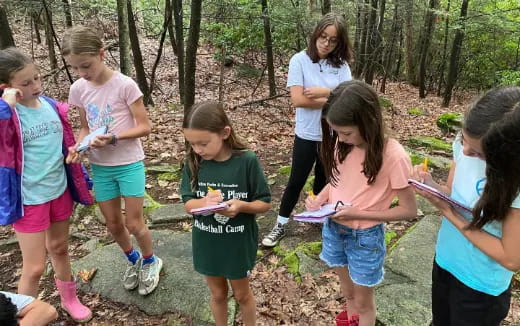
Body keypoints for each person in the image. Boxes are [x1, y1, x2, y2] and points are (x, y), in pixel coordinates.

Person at [305, 80, 418, 325]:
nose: (341, 138)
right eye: (336, 132)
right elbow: (337, 182)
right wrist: (320, 199)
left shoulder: (394, 155)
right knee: (348, 294)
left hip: (365, 239)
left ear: (368, 122)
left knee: (363, 302)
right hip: (334, 229)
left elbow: (409, 210)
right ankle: (351, 320)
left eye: (346, 133)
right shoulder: (342, 145)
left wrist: (360, 213)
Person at [62, 26, 162, 296]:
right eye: (76, 68)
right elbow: (84, 127)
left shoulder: (125, 85)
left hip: (129, 163)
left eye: (86, 65)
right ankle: (133, 260)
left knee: (133, 223)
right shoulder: (79, 89)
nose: (82, 73)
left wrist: (113, 137)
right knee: (113, 224)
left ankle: (151, 260)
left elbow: (144, 126)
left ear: (101, 54)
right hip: (100, 167)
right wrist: (79, 147)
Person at [410, 86, 520, 326]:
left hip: (480, 287)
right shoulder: (464, 147)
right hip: (446, 261)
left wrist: (451, 215)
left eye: (478, 153)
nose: (465, 151)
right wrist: (432, 187)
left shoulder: (515, 184)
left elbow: (511, 258)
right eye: (463, 140)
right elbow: (453, 194)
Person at [0, 47, 93, 322]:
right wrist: (6, 105)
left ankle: (69, 298)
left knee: (60, 248)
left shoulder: (51, 106)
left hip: (58, 190)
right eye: (26, 83)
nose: (36, 86)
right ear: (8, 88)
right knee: (35, 267)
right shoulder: (10, 115)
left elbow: (62, 142)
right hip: (29, 198)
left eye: (37, 78)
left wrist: (72, 151)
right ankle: (22, 316)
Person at [262, 12, 354, 247]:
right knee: (296, 180)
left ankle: (319, 218)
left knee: (325, 179)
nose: (326, 43)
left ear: (339, 43)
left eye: (333, 40)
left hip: (334, 135)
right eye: (323, 37)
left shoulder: (341, 66)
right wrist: (334, 96)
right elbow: (298, 100)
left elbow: (350, 98)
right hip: (307, 133)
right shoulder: (300, 60)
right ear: (315, 35)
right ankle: (280, 224)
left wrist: (324, 93)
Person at [180, 102, 271, 326]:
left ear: (225, 133)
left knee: (242, 295)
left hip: (237, 243)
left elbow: (264, 203)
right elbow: (187, 203)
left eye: (203, 143)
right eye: (192, 144)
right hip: (207, 241)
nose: (198, 149)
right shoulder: (194, 162)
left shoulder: (246, 161)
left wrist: (242, 206)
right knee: (217, 294)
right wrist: (204, 202)